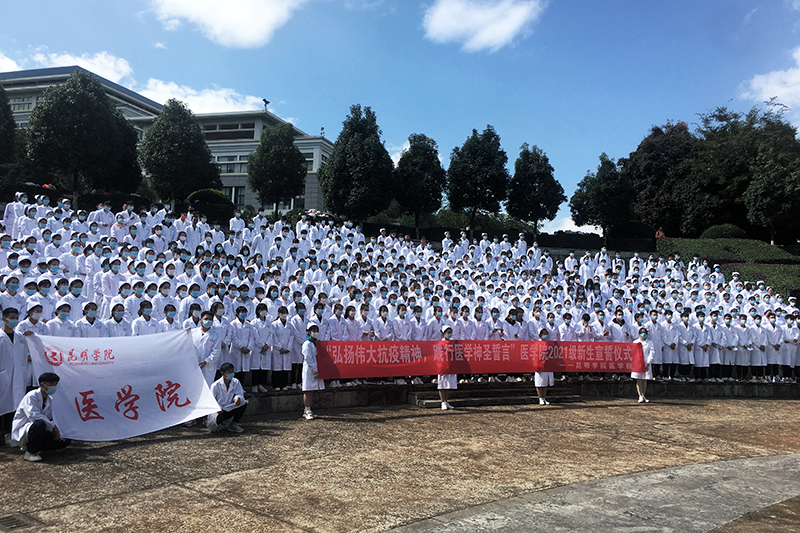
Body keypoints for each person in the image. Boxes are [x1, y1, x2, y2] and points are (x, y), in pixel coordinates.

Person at [10, 372, 71, 462]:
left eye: (55, 384)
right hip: (27, 428)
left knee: (65, 440)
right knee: (39, 424)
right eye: (51, 384)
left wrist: (56, 430)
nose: (53, 387)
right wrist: (52, 426)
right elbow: (34, 416)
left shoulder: (49, 400)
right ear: (42, 384)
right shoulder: (31, 396)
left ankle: (37, 446)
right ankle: (31, 452)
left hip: (41, 429)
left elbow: (50, 418)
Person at [206, 362, 247, 433]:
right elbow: (211, 400)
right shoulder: (215, 385)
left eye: (232, 371)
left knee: (244, 403)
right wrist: (218, 408)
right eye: (229, 372)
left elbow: (239, 393)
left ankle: (233, 424)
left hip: (229, 407)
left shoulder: (236, 382)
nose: (232, 373)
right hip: (219, 411)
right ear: (222, 373)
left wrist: (237, 398)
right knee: (217, 422)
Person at [302, 324, 324, 420]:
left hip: (315, 368)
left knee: (311, 390)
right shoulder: (307, 343)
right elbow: (308, 358)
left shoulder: (314, 343)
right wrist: (315, 370)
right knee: (307, 390)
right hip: (309, 369)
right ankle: (307, 410)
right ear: (309, 332)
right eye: (314, 331)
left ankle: (308, 409)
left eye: (317, 330)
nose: (316, 333)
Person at [632, 327, 654, 403]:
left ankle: (643, 395)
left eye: (645, 332)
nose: (643, 334)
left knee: (645, 379)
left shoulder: (650, 342)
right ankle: (640, 396)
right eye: (642, 332)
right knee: (639, 379)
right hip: (638, 362)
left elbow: (651, 353)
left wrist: (648, 363)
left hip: (646, 362)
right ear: (639, 333)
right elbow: (633, 353)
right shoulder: (635, 342)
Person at [438, 325, 456, 411]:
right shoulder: (440, 343)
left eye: (451, 333)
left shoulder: (452, 343)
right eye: (448, 333)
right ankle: (442, 402)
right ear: (444, 333)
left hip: (450, 366)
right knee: (442, 384)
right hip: (442, 366)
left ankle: (446, 401)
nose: (450, 334)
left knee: (447, 384)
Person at [534, 327, 554, 405]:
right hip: (539, 364)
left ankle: (544, 397)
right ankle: (540, 398)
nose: (545, 336)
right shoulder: (537, 343)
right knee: (539, 383)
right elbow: (535, 355)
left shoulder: (547, 343)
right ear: (540, 335)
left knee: (545, 382)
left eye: (546, 334)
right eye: (544, 334)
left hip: (546, 365)